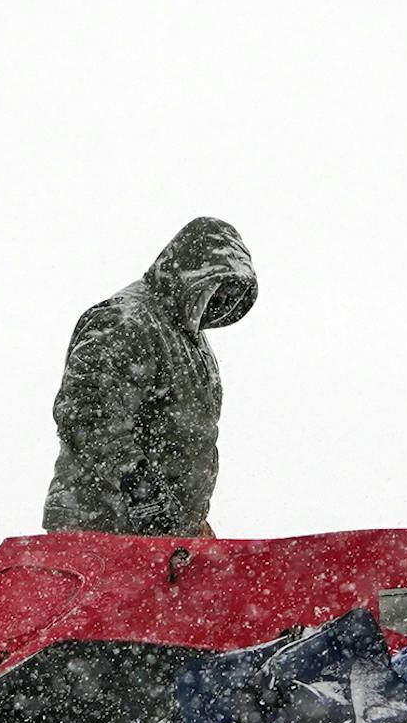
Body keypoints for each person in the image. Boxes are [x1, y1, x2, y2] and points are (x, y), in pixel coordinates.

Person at [43, 217, 257, 537]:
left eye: (229, 296)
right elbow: (87, 412)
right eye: (216, 289)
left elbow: (187, 436)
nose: (220, 302)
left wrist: (191, 520)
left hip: (162, 537)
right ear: (190, 272)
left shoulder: (189, 342)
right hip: (102, 525)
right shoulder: (126, 320)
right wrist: (137, 483)